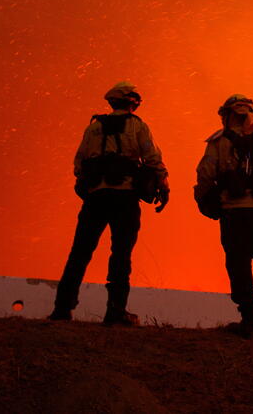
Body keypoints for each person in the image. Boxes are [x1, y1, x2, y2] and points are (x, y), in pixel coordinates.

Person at [49, 82, 169, 325]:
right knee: (121, 254)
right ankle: (115, 311)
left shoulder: (93, 129)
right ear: (132, 102)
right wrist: (164, 185)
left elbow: (79, 164)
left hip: (96, 198)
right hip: (125, 197)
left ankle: (62, 309)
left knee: (80, 253)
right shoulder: (138, 126)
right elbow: (153, 158)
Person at [194, 94, 253, 338]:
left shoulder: (218, 142)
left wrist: (207, 202)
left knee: (239, 266)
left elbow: (205, 174)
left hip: (234, 213)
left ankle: (250, 320)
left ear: (228, 116)